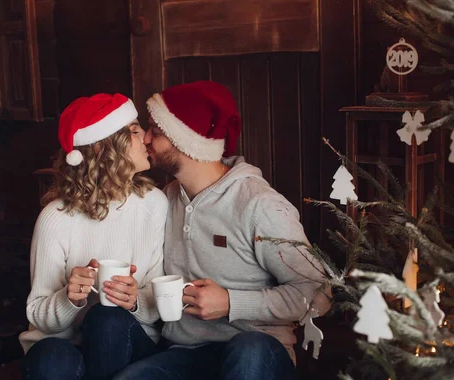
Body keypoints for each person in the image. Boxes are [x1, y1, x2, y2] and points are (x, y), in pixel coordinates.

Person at [114, 81, 331, 380]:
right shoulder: (167, 198)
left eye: (157, 132)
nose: (146, 139)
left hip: (256, 351)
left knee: (249, 352)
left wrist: (231, 303)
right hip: (186, 352)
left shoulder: (260, 205)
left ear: (185, 142)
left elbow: (319, 295)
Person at [19, 93, 168, 380]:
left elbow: (157, 304)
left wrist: (135, 299)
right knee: (50, 359)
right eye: (134, 131)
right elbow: (38, 314)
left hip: (126, 340)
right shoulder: (56, 218)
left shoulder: (154, 205)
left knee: (106, 317)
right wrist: (68, 298)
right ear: (103, 148)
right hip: (63, 345)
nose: (146, 138)